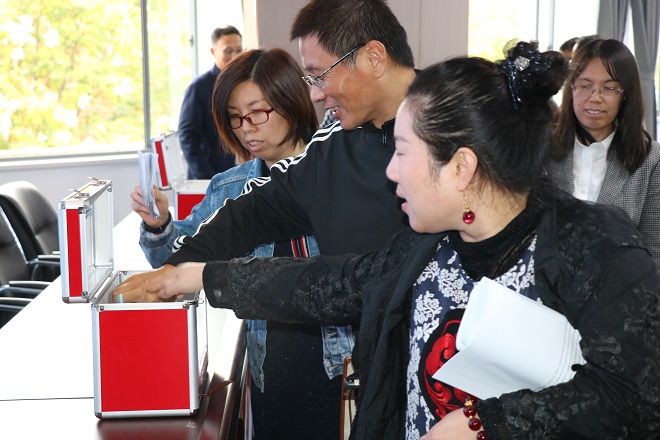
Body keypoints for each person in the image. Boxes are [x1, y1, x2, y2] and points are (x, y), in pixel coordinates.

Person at [126, 41, 660, 439]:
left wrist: (483, 424)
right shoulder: (427, 248)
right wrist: (194, 276)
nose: (391, 172)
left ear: (461, 167)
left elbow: (635, 398)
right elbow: (327, 283)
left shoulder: (597, 247)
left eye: (403, 153)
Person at [132, 47, 354, 439]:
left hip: (338, 370)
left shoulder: (336, 176)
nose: (246, 128)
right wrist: (160, 224)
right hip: (270, 371)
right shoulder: (231, 187)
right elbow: (175, 262)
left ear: (292, 103)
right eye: (234, 118)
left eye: (257, 112)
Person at [549, 38, 660, 271]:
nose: (595, 97)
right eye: (585, 85)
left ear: (625, 94)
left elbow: (654, 252)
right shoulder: (544, 148)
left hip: (620, 287)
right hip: (544, 284)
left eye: (609, 88)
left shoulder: (651, 159)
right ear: (571, 88)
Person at [178, 26, 243, 179]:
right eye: (228, 51)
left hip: (240, 174)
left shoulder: (244, 84)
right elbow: (187, 137)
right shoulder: (199, 87)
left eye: (239, 50)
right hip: (210, 176)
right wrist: (207, 177)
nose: (235, 56)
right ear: (214, 52)